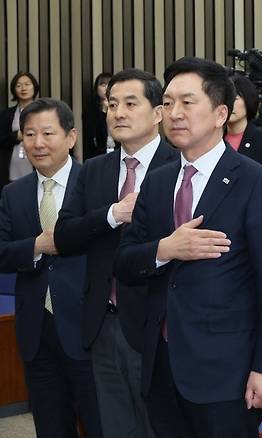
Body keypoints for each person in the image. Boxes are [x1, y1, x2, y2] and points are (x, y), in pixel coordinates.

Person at [115, 57, 262, 438]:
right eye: (168, 102)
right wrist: (164, 249)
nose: (174, 113)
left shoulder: (256, 183)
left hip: (227, 371)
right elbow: (125, 262)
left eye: (187, 102)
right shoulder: (158, 183)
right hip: (162, 364)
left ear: (220, 113)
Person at [55, 69, 176, 438]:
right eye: (111, 105)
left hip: (159, 325)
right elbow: (63, 235)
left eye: (129, 103)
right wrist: (112, 214)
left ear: (158, 113)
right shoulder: (94, 169)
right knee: (115, 428)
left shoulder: (179, 165)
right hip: (103, 323)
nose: (118, 113)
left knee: (158, 426)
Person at [0, 98, 102, 438]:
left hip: (89, 328)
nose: (38, 143)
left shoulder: (95, 182)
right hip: (36, 331)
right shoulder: (12, 194)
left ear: (71, 137)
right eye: (29, 134)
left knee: (102, 424)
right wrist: (37, 246)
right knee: (51, 427)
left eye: (47, 133)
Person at [225, 75, 262, 177]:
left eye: (235, 98)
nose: (229, 104)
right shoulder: (213, 139)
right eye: (225, 99)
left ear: (248, 100)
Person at [0, 72, 40, 188]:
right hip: (12, 166)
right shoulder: (6, 114)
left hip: (36, 163)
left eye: (27, 84)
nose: (23, 88)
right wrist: (16, 136)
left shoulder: (43, 112)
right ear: (14, 90)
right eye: (18, 85)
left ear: (34, 87)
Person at [83, 72, 115, 159]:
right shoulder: (90, 109)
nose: (106, 88)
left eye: (109, 85)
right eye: (103, 85)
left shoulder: (120, 107)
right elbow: (94, 133)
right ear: (96, 88)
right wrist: (104, 112)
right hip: (96, 153)